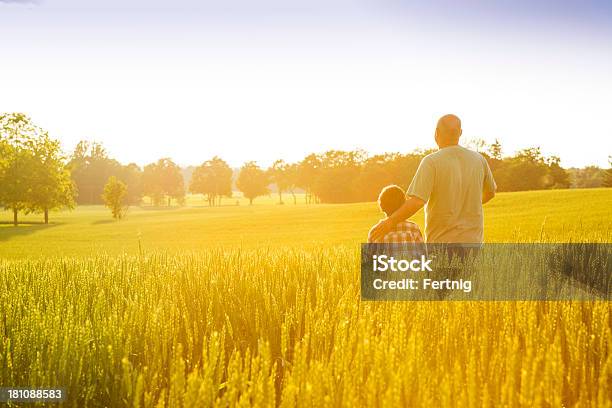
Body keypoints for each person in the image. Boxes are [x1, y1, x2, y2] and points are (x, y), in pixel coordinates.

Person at [369, 114, 496, 244]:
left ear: (436, 133)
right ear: (460, 133)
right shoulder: (479, 160)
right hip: (474, 242)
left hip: (442, 243)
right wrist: (466, 205)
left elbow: (417, 201)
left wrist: (389, 222)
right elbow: (490, 193)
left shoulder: (431, 162)